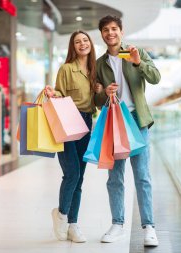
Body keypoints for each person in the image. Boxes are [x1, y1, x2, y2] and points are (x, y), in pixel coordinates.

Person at [94, 15, 161, 247]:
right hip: (115, 122)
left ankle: (149, 227)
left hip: (137, 121)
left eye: (114, 29)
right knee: (115, 177)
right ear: (102, 34)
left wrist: (137, 62)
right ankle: (117, 224)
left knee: (142, 176)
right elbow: (96, 98)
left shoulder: (136, 52)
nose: (110, 33)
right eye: (105, 30)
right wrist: (105, 93)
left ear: (121, 31)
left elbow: (155, 78)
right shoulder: (99, 63)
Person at [45, 30, 96, 243]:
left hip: (86, 122)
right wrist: (52, 93)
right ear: (72, 47)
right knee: (72, 173)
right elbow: (59, 93)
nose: (82, 44)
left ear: (91, 44)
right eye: (77, 42)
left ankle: (73, 225)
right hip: (67, 120)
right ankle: (62, 215)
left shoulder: (95, 71)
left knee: (80, 177)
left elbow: (99, 99)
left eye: (85, 40)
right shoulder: (66, 69)